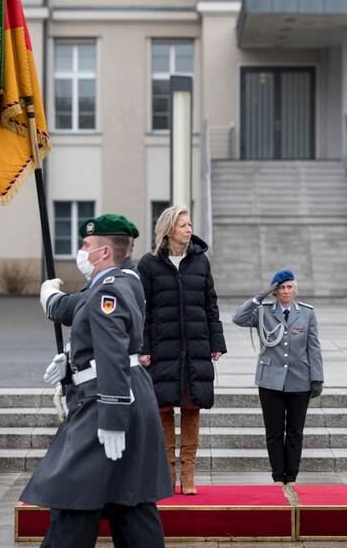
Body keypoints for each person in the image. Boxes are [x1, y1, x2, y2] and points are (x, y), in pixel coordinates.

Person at [21, 214, 170, 548]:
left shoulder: (111, 291)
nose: (80, 251)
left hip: (108, 403)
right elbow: (78, 312)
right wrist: (73, 362)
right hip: (119, 395)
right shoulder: (117, 283)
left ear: (104, 253)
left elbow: (114, 353)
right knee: (129, 502)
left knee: (74, 498)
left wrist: (113, 417)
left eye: (86, 245)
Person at [138, 205, 227, 495]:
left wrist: (216, 343)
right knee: (163, 410)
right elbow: (143, 312)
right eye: (183, 226)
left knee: (192, 409)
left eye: (190, 224)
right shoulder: (148, 265)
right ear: (168, 230)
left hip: (195, 347)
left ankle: (188, 475)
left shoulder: (201, 262)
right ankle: (167, 474)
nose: (189, 230)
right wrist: (143, 348)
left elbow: (210, 305)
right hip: (163, 349)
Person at [232, 270, 324, 485]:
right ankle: (277, 475)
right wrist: (258, 298)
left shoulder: (307, 313)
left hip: (299, 379)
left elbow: (314, 348)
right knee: (273, 431)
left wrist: (317, 378)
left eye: (289, 287)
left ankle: (291, 476)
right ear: (275, 291)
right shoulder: (263, 311)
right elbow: (238, 318)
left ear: (295, 289)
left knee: (295, 431)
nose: (285, 291)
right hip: (270, 380)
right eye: (281, 287)